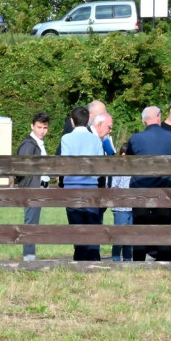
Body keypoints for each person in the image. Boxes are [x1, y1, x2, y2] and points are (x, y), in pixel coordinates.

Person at [127, 106, 171, 261]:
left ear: (144, 121)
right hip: (164, 187)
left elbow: (128, 160)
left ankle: (139, 257)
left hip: (141, 186)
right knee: (163, 222)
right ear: (158, 117)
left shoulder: (135, 138)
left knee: (140, 223)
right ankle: (164, 256)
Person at [59, 106, 105, 261]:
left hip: (72, 188)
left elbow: (65, 164)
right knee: (92, 226)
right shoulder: (95, 139)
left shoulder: (66, 139)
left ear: (72, 121)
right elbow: (100, 167)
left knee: (77, 226)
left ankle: (79, 258)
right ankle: (93, 257)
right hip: (91, 188)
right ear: (87, 121)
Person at [15, 112, 50, 261]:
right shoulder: (29, 144)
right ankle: (29, 258)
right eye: (39, 127)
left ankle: (30, 256)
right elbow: (22, 168)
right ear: (32, 126)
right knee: (31, 223)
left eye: (45, 127)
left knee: (33, 222)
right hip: (32, 189)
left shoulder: (37, 143)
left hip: (38, 188)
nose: (42, 131)